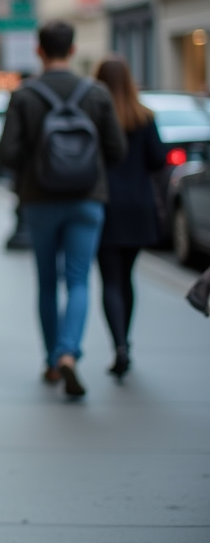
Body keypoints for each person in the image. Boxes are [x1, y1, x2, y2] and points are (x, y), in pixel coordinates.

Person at [0, 21, 126, 398]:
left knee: (46, 281)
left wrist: (35, 164)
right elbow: (117, 150)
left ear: (39, 50)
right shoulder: (96, 93)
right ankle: (70, 351)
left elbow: (6, 153)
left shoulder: (24, 95)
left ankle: (52, 361)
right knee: (79, 279)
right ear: (72, 51)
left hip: (39, 201)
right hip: (87, 199)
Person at [93, 55, 166, 379]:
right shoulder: (144, 117)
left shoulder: (93, 116)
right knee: (127, 278)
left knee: (110, 279)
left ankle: (119, 345)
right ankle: (127, 345)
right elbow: (158, 160)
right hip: (138, 205)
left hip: (105, 204)